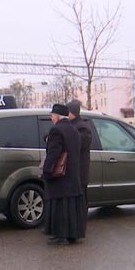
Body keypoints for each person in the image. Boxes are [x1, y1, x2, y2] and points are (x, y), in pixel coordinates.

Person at [42, 103, 85, 245]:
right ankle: (73, 234)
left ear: (57, 116)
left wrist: (46, 171)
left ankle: (60, 234)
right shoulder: (74, 130)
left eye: (52, 115)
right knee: (71, 206)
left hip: (60, 176)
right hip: (73, 175)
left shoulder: (56, 130)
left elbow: (53, 153)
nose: (51, 118)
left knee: (60, 205)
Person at [67, 99, 92, 236]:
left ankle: (79, 229)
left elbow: (77, 144)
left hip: (79, 173)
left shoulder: (83, 127)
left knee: (81, 202)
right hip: (72, 172)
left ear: (72, 113)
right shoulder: (71, 125)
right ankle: (73, 228)